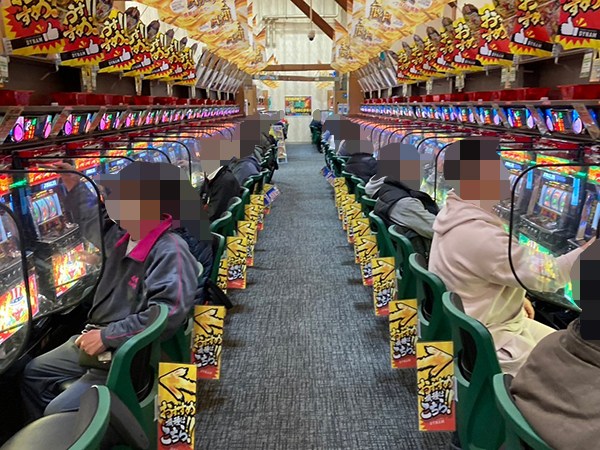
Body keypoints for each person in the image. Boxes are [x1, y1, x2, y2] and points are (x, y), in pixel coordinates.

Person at [21, 161, 203, 420]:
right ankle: (59, 431)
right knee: (35, 372)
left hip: (128, 353)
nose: (110, 204)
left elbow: (166, 314)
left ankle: (85, 429)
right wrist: (73, 185)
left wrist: (107, 336)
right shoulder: (123, 237)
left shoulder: (170, 250)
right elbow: (92, 221)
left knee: (57, 410)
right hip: (101, 335)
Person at [428, 138, 593, 376]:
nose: (509, 175)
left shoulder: (454, 212)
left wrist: (514, 296)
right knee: (584, 368)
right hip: (490, 342)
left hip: (482, 324)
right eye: (500, 168)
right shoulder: (479, 235)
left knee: (568, 344)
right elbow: (550, 277)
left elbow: (491, 272)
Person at [370, 143, 439, 258]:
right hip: (420, 259)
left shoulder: (389, 189)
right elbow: (438, 230)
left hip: (401, 256)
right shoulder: (406, 204)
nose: (422, 174)